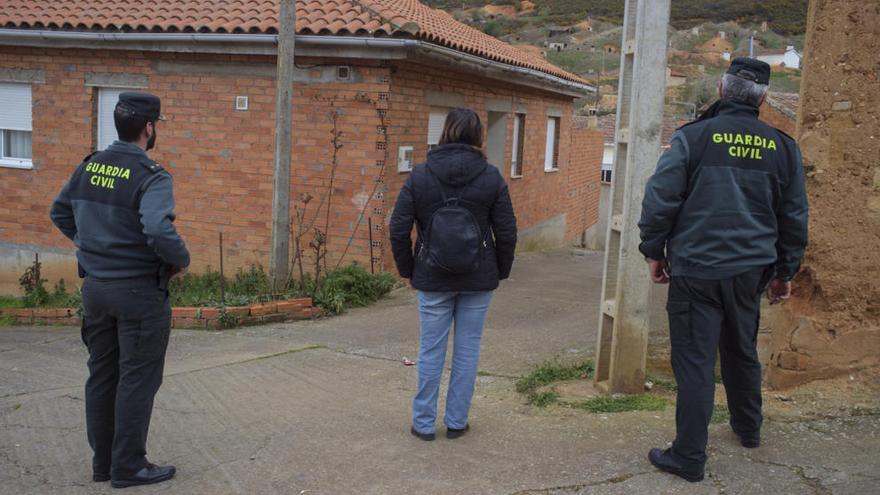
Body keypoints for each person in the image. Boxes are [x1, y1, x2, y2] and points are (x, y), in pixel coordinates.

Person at [638, 58, 809, 482]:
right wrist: (784, 272)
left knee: (695, 362)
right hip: (750, 271)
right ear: (764, 98)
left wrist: (653, 250)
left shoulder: (693, 138)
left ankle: (689, 456)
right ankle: (748, 429)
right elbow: (794, 217)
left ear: (720, 87)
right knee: (740, 349)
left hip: (697, 269)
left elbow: (660, 199)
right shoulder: (782, 147)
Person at [50, 92, 189, 488]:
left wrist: (91, 244)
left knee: (102, 376)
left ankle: (104, 464)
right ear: (149, 127)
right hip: (139, 294)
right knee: (136, 379)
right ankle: (128, 466)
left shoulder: (89, 167)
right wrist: (180, 259)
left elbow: (58, 211)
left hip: (95, 289)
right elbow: (159, 229)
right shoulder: (151, 174)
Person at [390, 108, 517, 441]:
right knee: (467, 350)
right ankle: (457, 422)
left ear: (445, 132)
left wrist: (409, 270)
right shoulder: (491, 177)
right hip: (478, 279)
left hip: (432, 277)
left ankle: (423, 424)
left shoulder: (420, 175)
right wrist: (499, 270)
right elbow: (507, 232)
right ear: (478, 135)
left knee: (430, 350)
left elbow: (398, 228)